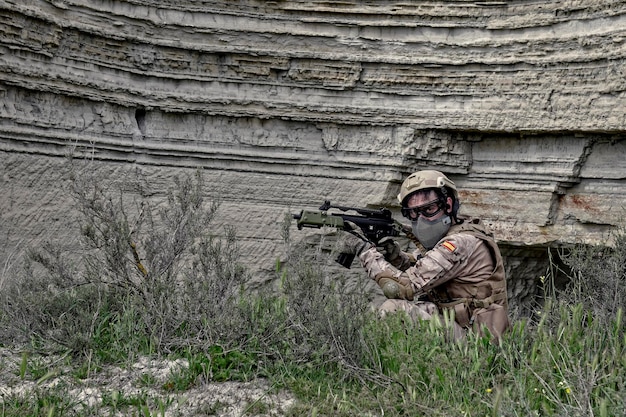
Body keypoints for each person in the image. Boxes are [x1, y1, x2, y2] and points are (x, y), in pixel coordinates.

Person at [343, 170, 510, 341]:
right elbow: (422, 267)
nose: (422, 219)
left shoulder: (458, 243)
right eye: (414, 213)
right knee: (422, 307)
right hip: (462, 328)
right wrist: (395, 256)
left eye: (429, 209)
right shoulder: (451, 235)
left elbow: (399, 289)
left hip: (479, 344)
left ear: (448, 204)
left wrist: (364, 250)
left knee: (394, 309)